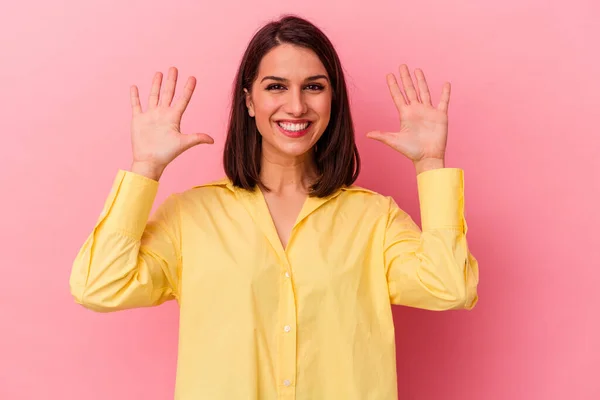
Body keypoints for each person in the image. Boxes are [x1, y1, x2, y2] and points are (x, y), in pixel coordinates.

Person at [69, 14, 479, 400]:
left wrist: (429, 164)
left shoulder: (376, 220)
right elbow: (99, 286)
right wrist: (146, 168)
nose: (297, 105)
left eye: (314, 87)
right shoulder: (190, 216)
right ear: (249, 101)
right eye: (276, 86)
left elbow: (450, 288)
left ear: (333, 100)